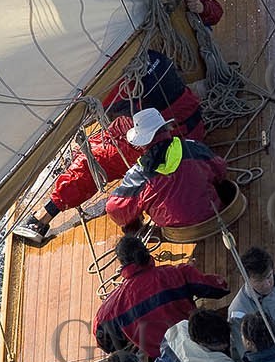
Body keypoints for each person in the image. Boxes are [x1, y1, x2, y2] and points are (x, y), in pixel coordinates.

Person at [12, 50, 208, 245]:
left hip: (164, 132)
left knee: (91, 162)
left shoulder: (110, 85)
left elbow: (116, 208)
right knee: (106, 138)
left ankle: (42, 218)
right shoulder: (144, 52)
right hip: (187, 121)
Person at [94, 236, 229, 360]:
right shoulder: (177, 273)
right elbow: (220, 289)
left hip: (165, 361)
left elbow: (104, 342)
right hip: (198, 345)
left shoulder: (110, 309)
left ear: (122, 264)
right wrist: (191, 272)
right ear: (146, 252)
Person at [106, 107, 229, 232]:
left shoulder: (138, 175)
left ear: (142, 142)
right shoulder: (193, 147)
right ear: (166, 128)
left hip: (176, 231)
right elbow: (221, 170)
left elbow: (115, 209)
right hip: (213, 217)